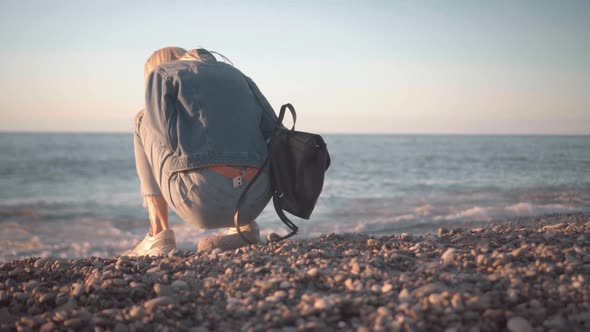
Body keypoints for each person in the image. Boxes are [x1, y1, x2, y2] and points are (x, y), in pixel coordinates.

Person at [124, 46, 280, 256]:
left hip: (202, 202)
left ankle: (158, 235)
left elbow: (164, 138)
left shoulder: (162, 75)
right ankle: (244, 228)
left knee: (142, 119)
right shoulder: (237, 77)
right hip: (255, 200)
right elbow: (275, 131)